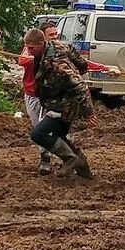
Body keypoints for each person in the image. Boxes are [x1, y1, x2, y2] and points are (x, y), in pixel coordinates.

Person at [28, 27, 94, 179]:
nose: (29, 51)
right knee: (60, 135)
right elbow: (80, 62)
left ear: (41, 43)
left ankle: (71, 159)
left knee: (38, 134)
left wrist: (89, 113)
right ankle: (84, 170)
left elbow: (81, 86)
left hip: (65, 104)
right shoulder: (57, 47)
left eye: (31, 48)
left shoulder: (57, 63)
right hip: (57, 101)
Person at [18, 28, 54, 175]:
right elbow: (22, 60)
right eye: (51, 34)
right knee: (37, 126)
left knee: (46, 127)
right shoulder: (30, 49)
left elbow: (79, 62)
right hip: (31, 93)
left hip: (49, 95)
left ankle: (48, 158)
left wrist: (104, 68)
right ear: (43, 38)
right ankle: (48, 154)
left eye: (56, 34)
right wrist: (36, 57)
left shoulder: (57, 51)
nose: (55, 37)